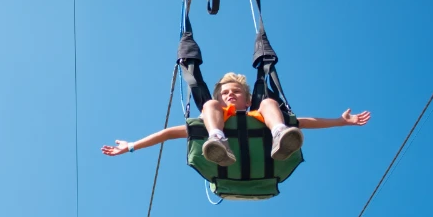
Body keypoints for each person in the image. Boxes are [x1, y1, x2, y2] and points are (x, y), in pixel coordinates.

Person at [101, 72, 370, 165]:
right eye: (226, 92)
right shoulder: (215, 112)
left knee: (269, 102)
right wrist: (132, 145)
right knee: (208, 104)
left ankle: (279, 134)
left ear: (246, 97)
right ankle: (218, 140)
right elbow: (169, 133)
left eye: (236, 92)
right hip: (223, 156)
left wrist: (340, 121)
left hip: (267, 153)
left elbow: (304, 121)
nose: (230, 95)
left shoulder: (258, 110)